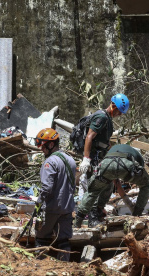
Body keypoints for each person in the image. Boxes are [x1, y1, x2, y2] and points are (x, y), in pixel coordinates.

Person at [75, 93, 130, 227]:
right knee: (95, 187)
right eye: (119, 111)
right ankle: (92, 217)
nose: (119, 115)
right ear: (113, 106)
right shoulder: (101, 117)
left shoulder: (107, 120)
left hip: (100, 158)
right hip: (92, 158)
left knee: (108, 185)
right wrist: (86, 159)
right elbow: (89, 137)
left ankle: (98, 211)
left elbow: (104, 142)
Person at [34, 128, 76, 261]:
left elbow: (47, 187)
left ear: (51, 144)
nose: (42, 150)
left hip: (52, 208)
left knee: (41, 237)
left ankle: (40, 266)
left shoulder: (50, 162)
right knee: (63, 240)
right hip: (67, 208)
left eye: (43, 146)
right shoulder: (71, 160)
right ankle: (64, 269)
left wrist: (38, 202)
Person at [88, 144, 149, 219]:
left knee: (106, 183)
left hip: (107, 163)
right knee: (147, 184)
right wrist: (134, 211)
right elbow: (141, 178)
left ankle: (97, 211)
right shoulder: (138, 159)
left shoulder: (115, 150)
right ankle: (138, 213)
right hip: (124, 163)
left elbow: (117, 184)